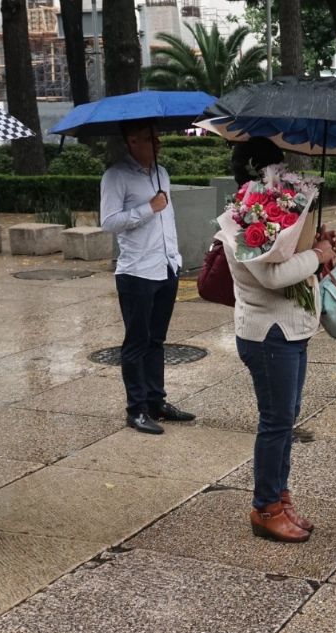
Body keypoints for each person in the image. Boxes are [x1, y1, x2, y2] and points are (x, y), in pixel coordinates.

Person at [223, 138, 336, 543]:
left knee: (285, 420)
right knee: (275, 423)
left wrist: (314, 244)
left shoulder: (271, 215)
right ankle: (265, 507)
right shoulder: (238, 220)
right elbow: (272, 276)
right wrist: (317, 255)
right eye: (278, 170)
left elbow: (292, 265)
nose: (283, 179)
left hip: (290, 332)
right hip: (268, 336)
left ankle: (281, 497)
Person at [101, 119, 195, 434]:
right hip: (137, 272)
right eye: (149, 139)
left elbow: (168, 220)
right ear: (132, 142)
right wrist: (148, 208)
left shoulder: (161, 172)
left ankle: (157, 401)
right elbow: (109, 222)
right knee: (137, 343)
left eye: (156, 137)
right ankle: (136, 409)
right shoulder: (116, 176)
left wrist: (176, 258)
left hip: (166, 267)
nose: (158, 143)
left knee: (157, 341)